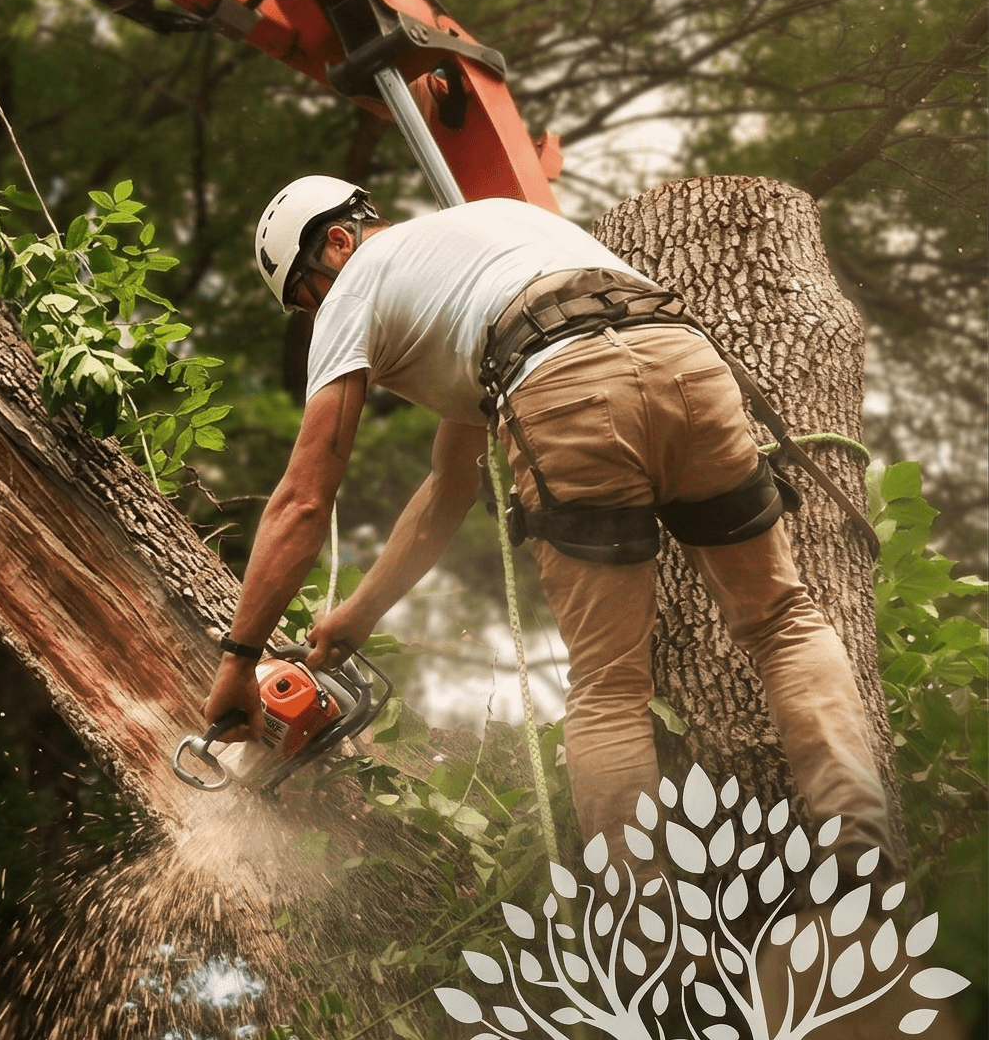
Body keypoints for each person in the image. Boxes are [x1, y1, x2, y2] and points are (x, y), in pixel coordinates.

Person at [202, 175, 890, 864]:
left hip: (563, 386)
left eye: (308, 299)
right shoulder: (486, 238)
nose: (316, 319)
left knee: (609, 686)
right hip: (683, 361)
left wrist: (237, 661)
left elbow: (303, 499)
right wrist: (358, 614)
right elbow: (447, 486)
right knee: (781, 620)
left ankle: (647, 936)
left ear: (338, 243)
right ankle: (862, 842)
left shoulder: (358, 285)